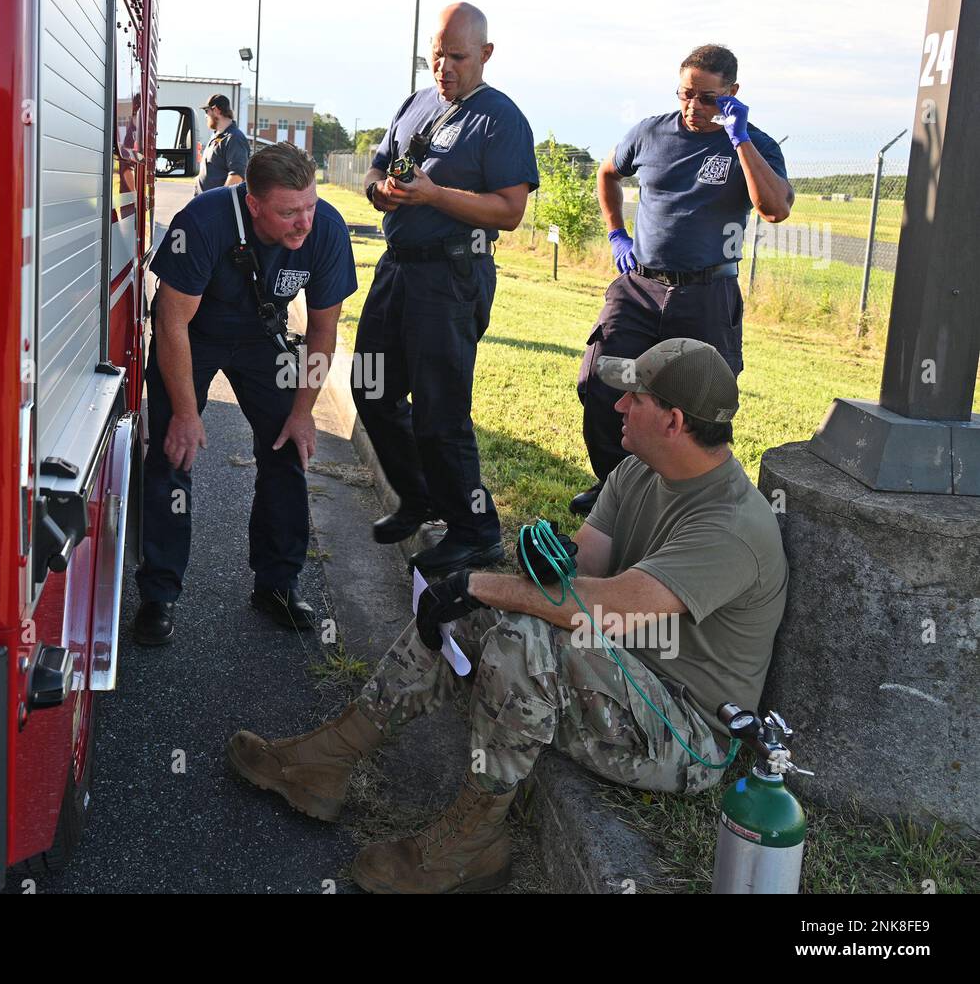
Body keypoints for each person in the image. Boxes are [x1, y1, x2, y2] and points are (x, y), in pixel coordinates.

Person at [229, 339, 788, 893]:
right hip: (619, 674)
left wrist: (479, 583)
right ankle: (331, 757)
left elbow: (605, 608)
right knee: (488, 609)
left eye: (634, 399)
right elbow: (582, 566)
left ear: (672, 421)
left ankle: (473, 843)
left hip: (681, 732)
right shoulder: (640, 472)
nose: (617, 406)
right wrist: (545, 561)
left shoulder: (732, 526)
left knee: (519, 633)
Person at [133, 143, 356, 644]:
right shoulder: (205, 220)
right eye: (288, 212)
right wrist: (187, 414)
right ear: (253, 204)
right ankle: (159, 593)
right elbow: (170, 321)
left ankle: (278, 584)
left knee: (287, 447)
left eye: (310, 206)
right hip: (194, 336)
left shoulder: (327, 230)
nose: (303, 222)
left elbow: (323, 332)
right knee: (173, 454)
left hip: (262, 337)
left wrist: (304, 413)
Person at [353, 2, 538, 577]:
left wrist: (434, 197)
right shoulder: (416, 103)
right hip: (399, 265)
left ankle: (475, 532)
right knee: (371, 387)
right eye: (436, 54)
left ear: (485, 53)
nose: (444, 67)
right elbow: (376, 169)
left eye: (457, 56)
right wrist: (381, 192)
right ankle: (419, 496)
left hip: (453, 275)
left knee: (441, 410)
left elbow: (510, 211)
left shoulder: (500, 118)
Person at [571, 43, 792, 516]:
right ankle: (614, 488)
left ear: (733, 93)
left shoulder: (755, 143)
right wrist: (617, 234)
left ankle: (688, 505)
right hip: (639, 286)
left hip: (706, 293)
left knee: (700, 407)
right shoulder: (650, 133)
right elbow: (608, 173)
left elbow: (775, 210)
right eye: (685, 94)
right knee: (604, 382)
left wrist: (740, 140)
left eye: (708, 98)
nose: (693, 108)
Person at [194, 93, 250, 195]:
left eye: (207, 111)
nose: (206, 116)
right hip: (204, 204)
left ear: (216, 110)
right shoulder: (216, 136)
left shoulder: (234, 138)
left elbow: (236, 176)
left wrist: (220, 202)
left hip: (216, 207)